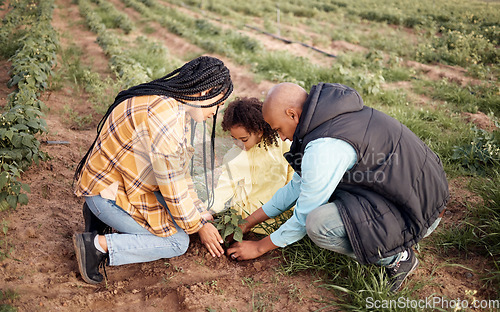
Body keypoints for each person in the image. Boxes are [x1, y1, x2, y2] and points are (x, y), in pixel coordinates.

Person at [227, 82, 449, 292]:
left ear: (292, 114)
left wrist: (259, 248)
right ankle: (396, 238)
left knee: (319, 224)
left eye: (278, 129)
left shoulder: (323, 146)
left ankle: (398, 257)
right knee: (325, 195)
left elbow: (304, 216)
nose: (282, 138)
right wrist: (247, 223)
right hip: (418, 194)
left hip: (420, 212)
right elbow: (298, 186)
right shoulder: (330, 115)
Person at [72, 56, 233, 285]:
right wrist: (199, 226)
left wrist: (199, 213)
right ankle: (95, 246)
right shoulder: (166, 118)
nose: (215, 112)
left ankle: (97, 218)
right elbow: (173, 187)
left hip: (120, 184)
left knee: (182, 220)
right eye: (218, 103)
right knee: (177, 241)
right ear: (202, 93)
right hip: (107, 194)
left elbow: (180, 174)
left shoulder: (171, 106)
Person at [209, 97, 294, 234]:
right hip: (244, 217)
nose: (238, 144)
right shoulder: (234, 156)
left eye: (244, 140)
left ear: (259, 131)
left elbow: (293, 175)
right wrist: (212, 210)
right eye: (234, 139)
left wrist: (292, 207)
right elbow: (226, 185)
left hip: (277, 215)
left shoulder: (282, 145)